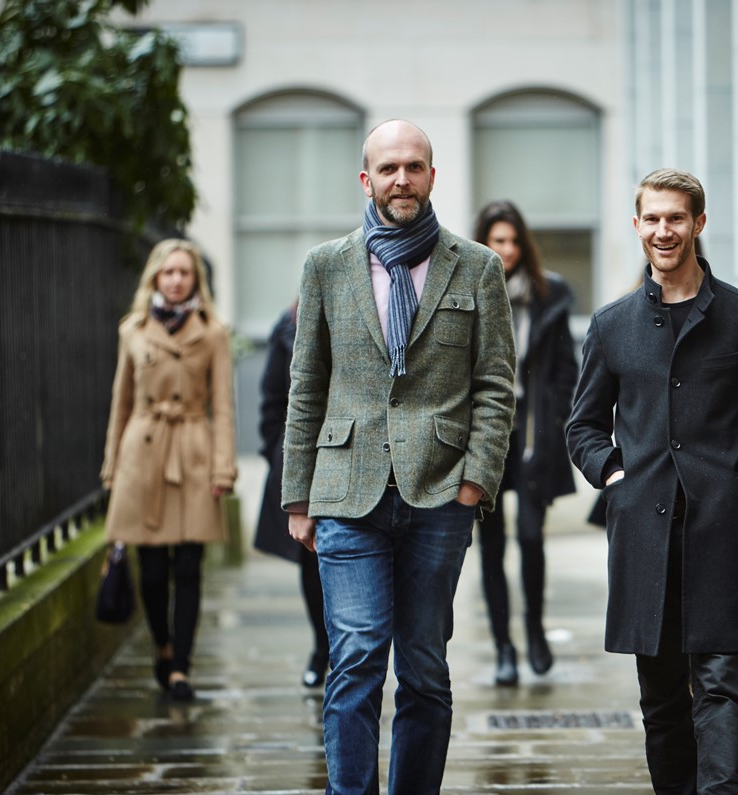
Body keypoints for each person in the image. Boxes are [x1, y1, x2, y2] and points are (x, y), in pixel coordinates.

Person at [282, 119, 516, 794]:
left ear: (432, 176)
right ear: (367, 180)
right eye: (388, 168)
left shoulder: (476, 267)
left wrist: (475, 481)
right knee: (354, 658)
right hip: (345, 491)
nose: (402, 179)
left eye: (414, 166)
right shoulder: (326, 266)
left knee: (422, 666)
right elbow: (308, 383)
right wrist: (297, 493)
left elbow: (496, 384)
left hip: (439, 494)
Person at [566, 169, 738, 793]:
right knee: (664, 703)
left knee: (723, 691)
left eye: (676, 218)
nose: (664, 230)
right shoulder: (611, 325)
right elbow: (583, 426)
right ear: (637, 226)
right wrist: (614, 475)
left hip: (722, 533)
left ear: (698, 224)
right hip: (644, 537)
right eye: (653, 218)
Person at [100, 238, 237, 702]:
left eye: (185, 273)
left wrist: (224, 468)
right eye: (168, 272)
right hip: (144, 453)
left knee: (191, 567)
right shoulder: (132, 331)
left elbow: (223, 406)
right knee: (153, 572)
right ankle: (162, 645)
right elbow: (120, 403)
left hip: (194, 453)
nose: (177, 280)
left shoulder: (214, 332)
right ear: (155, 278)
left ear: (196, 280)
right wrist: (111, 468)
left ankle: (180, 666)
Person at [471, 200, 577, 686]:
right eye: (498, 241)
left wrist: (559, 424)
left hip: (534, 436)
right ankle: (503, 649)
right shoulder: (467, 289)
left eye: (514, 241)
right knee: (491, 547)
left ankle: (534, 630)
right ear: (484, 243)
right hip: (487, 437)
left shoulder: (550, 293)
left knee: (532, 538)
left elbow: (564, 371)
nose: (507, 250)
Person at [252, 301, 329, 688]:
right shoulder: (288, 324)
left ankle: (352, 652)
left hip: (354, 456)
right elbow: (272, 400)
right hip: (302, 459)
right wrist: (277, 453)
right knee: (312, 561)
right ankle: (322, 648)